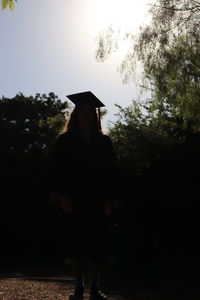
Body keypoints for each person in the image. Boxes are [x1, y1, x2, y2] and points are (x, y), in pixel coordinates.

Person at [50, 91, 118, 300]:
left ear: (95, 116)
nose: (87, 115)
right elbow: (56, 170)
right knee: (76, 245)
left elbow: (112, 172)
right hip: (74, 198)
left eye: (91, 111)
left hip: (98, 199)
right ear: (76, 114)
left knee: (98, 244)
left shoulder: (104, 141)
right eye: (83, 111)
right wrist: (62, 196)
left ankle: (95, 288)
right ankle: (78, 287)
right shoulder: (65, 140)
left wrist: (109, 199)